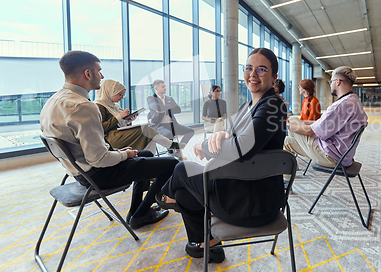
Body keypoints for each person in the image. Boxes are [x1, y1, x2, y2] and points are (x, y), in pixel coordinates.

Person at [155, 48, 287, 264]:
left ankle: (164, 196)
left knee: (181, 169)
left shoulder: (272, 105)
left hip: (251, 203)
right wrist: (224, 135)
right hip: (247, 195)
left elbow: (243, 146)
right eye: (248, 68)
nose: (253, 74)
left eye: (262, 69)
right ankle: (206, 244)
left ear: (274, 77)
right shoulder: (249, 106)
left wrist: (207, 144)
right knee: (184, 196)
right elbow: (237, 136)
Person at [39, 51, 179, 230]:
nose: (102, 76)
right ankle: (141, 214)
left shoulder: (52, 102)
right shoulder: (83, 106)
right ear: (87, 73)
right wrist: (124, 154)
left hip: (77, 172)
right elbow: (99, 159)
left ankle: (137, 211)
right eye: (99, 70)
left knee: (144, 154)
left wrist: (120, 153)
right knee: (171, 164)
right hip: (98, 174)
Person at [284, 66, 368, 169]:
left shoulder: (340, 105)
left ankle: (286, 177)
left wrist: (287, 125)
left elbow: (312, 132)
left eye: (331, 81)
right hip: (343, 155)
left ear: (337, 82)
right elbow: (320, 124)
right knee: (287, 141)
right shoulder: (353, 100)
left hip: (331, 157)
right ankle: (287, 181)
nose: (330, 84)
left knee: (292, 121)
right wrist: (300, 123)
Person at [94, 79, 184, 154]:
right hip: (109, 138)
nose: (121, 97)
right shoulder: (99, 106)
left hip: (119, 133)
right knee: (147, 130)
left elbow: (119, 124)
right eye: (120, 94)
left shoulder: (115, 106)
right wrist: (120, 117)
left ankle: (151, 163)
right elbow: (101, 128)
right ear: (109, 92)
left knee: (149, 137)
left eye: (123, 95)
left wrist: (127, 121)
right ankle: (171, 145)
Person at [147, 80, 195, 146]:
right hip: (159, 126)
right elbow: (158, 107)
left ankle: (178, 148)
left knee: (190, 131)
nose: (165, 88)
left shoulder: (169, 98)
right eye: (163, 87)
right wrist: (170, 106)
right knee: (168, 134)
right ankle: (171, 151)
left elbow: (178, 109)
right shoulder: (151, 98)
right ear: (156, 88)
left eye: (165, 86)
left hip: (172, 124)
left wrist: (164, 109)